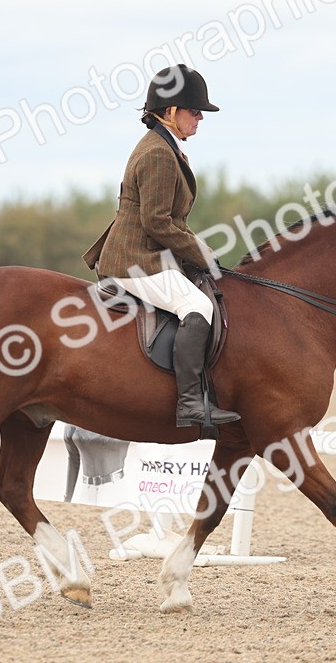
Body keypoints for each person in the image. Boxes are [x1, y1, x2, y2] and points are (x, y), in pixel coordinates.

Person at [82, 64, 239, 434]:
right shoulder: (157, 153)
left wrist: (200, 253)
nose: (200, 117)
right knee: (197, 305)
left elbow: (171, 222)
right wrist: (203, 257)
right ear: (170, 112)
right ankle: (189, 404)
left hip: (150, 255)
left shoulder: (166, 147)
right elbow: (157, 222)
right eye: (194, 110)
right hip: (135, 261)